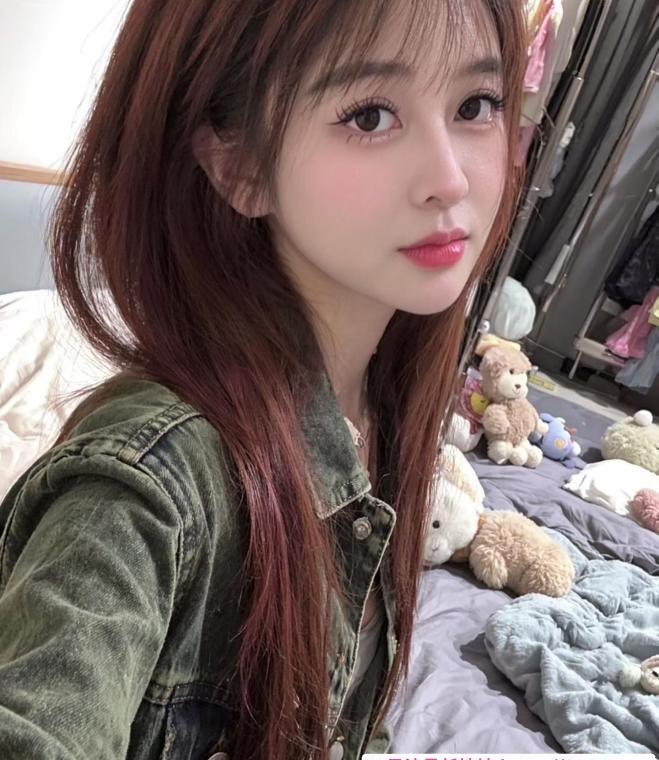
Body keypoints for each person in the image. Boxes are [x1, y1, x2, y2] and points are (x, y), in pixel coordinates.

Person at [0, 1, 526, 758]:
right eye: (370, 116)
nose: (449, 178)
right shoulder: (145, 491)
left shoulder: (378, 406)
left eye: (475, 105)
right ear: (238, 165)